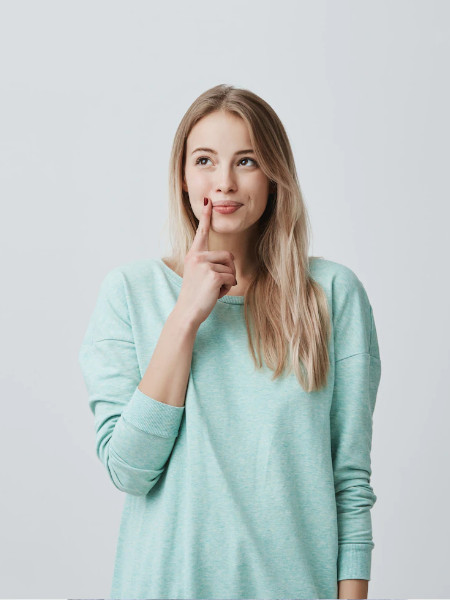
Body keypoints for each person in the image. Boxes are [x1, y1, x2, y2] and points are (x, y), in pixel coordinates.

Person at [78, 84, 382, 600]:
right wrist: (185, 317)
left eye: (246, 160)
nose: (223, 182)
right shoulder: (130, 293)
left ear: (274, 175)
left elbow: (349, 486)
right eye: (204, 160)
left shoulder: (332, 295)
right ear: (182, 176)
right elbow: (129, 470)